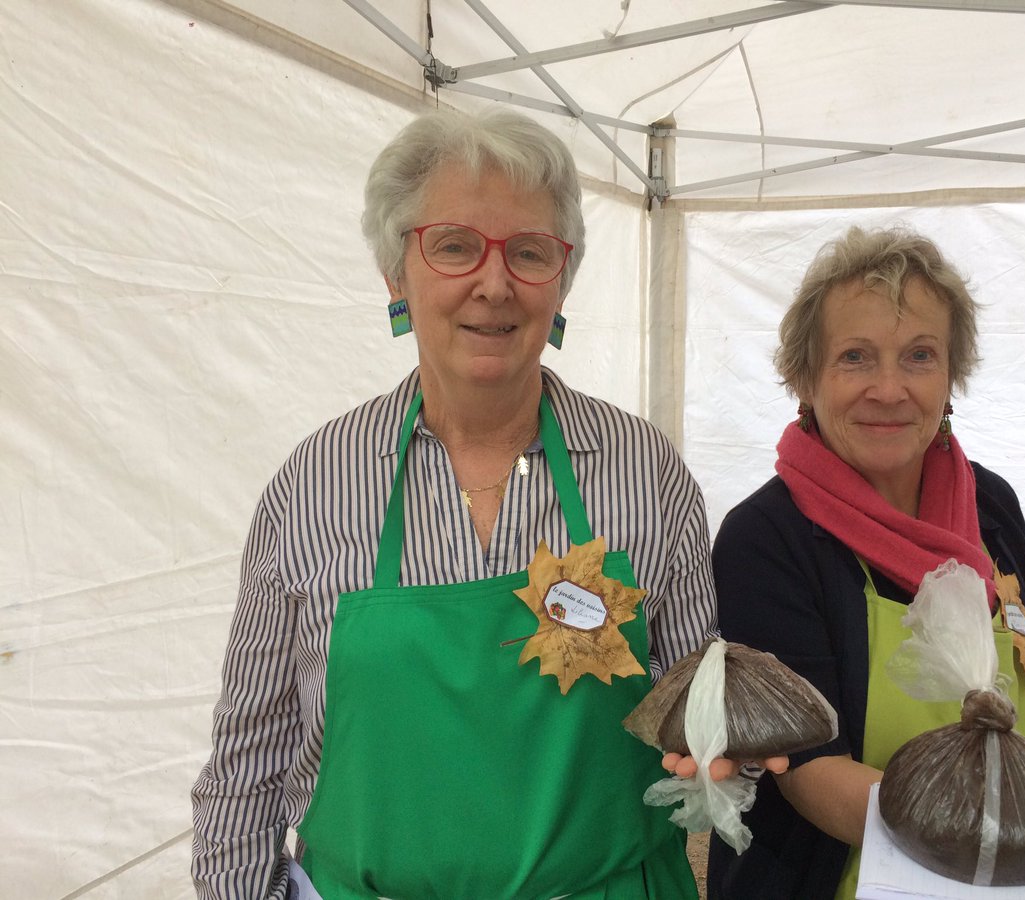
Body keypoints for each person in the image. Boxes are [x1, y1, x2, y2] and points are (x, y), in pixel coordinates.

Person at [191, 107, 721, 900]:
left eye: (531, 253)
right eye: (454, 245)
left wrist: (726, 739)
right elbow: (250, 763)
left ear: (563, 281)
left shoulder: (645, 473)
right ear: (395, 271)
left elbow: (699, 718)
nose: (495, 283)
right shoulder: (312, 485)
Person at [705, 225, 1025, 899]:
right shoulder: (767, 538)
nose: (889, 389)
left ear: (952, 376)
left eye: (919, 356)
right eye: (856, 357)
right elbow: (808, 772)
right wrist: (1019, 831)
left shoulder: (993, 508)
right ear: (805, 378)